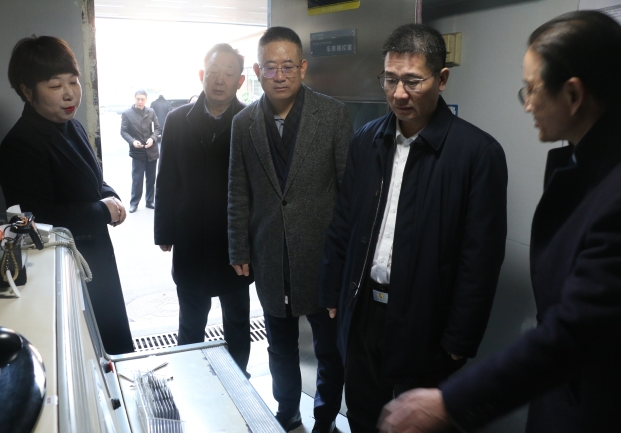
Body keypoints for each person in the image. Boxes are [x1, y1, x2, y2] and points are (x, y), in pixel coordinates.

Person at [378, 11, 621, 433]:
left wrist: (451, 400)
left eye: (533, 89)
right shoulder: (585, 167)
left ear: (573, 94)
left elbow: (574, 331)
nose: (527, 104)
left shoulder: (611, 192)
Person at [318, 23, 508, 432]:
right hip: (363, 309)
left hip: (426, 319)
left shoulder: (477, 154)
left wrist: (460, 338)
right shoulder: (366, 140)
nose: (399, 94)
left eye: (412, 81)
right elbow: (343, 222)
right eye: (390, 79)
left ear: (442, 79)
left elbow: (480, 257)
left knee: (418, 424)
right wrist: (333, 291)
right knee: (363, 414)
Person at [228, 26, 354, 433]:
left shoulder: (332, 115)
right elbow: (238, 190)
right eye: (270, 67)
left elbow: (349, 192)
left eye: (287, 67)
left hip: (321, 257)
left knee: (329, 348)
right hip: (269, 254)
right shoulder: (244, 122)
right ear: (257, 71)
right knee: (279, 345)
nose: (279, 76)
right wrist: (238, 248)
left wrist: (346, 258)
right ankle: (287, 415)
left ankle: (325, 420)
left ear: (302, 67)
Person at [0, 35, 134, 355]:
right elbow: (37, 219)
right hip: (63, 267)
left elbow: (91, 180)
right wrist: (102, 211)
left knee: (111, 345)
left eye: (73, 81)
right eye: (55, 85)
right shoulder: (21, 144)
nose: (70, 93)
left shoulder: (72, 126)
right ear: (27, 91)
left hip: (95, 253)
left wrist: (111, 197)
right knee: (88, 349)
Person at [154, 43, 253, 373]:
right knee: (191, 320)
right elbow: (166, 177)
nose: (220, 80)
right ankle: (191, 378)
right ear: (201, 75)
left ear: (240, 81)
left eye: (228, 74)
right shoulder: (176, 119)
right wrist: (164, 231)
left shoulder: (250, 120)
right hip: (190, 237)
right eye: (213, 73)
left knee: (237, 320)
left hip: (234, 241)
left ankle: (239, 381)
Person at [120, 89, 160, 213]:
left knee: (151, 179)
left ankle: (149, 201)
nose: (140, 102)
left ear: (146, 100)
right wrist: (132, 141)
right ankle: (134, 203)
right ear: (134, 99)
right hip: (137, 152)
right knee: (137, 180)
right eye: (138, 99)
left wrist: (153, 139)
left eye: (142, 99)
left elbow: (157, 128)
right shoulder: (127, 114)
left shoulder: (151, 112)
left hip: (151, 151)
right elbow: (123, 131)